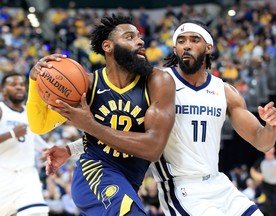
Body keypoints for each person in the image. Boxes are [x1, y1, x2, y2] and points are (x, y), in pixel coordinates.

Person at [42, 20, 276, 216]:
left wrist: (270, 126)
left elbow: (263, 142)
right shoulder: (157, 82)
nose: (186, 46)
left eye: (194, 40)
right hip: (183, 188)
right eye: (181, 41)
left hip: (219, 182)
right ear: (174, 49)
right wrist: (73, 148)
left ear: (208, 47)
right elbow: (122, 123)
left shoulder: (225, 91)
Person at [26, 14, 175, 215]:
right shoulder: (85, 85)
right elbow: (39, 126)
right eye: (129, 37)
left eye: (139, 37)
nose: (140, 41)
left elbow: (153, 148)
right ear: (108, 46)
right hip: (93, 174)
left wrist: (78, 139)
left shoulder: (157, 81)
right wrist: (35, 82)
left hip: (129, 181)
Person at [0, 73, 50, 215]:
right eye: (13, 85)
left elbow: (33, 137)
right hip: (3, 176)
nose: (19, 88)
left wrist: (47, 149)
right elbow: (18, 133)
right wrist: (11, 134)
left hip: (28, 177)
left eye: (22, 85)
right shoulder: (1, 109)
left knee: (37, 212)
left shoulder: (29, 112)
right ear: (3, 90)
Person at [250, 147, 276, 216]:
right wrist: (258, 176)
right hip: (265, 184)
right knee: (269, 202)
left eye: (271, 149)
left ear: (274, 150)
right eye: (268, 150)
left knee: (274, 202)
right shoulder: (261, 160)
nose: (269, 151)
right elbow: (252, 170)